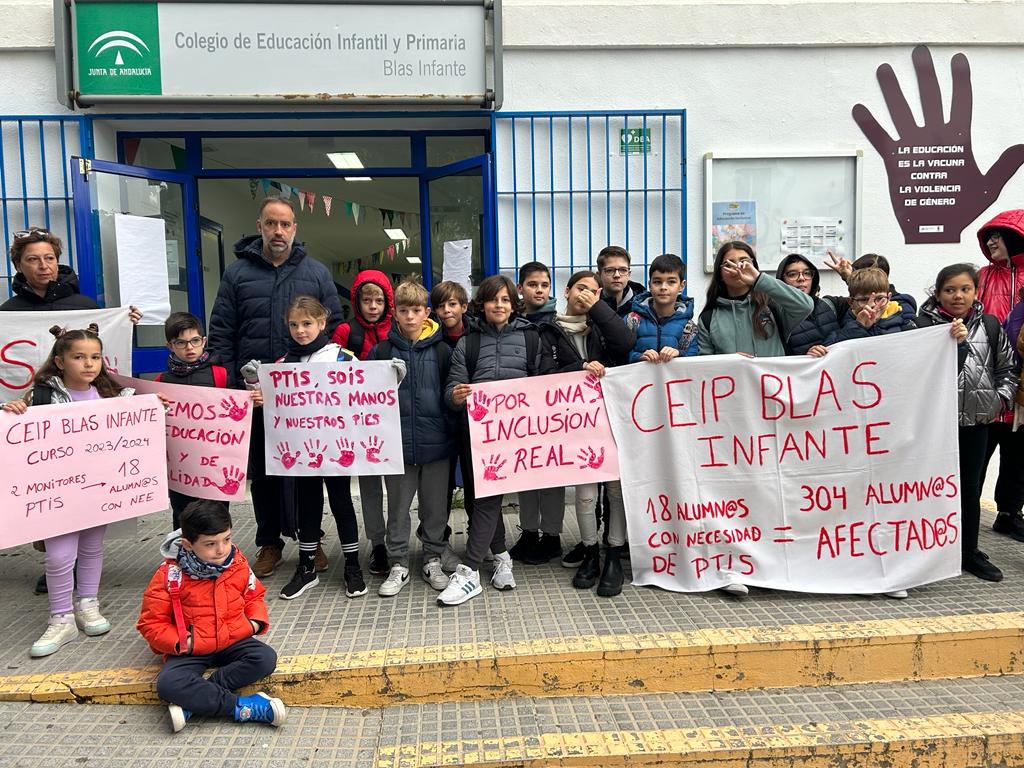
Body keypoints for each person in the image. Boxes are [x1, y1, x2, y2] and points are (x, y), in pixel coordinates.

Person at [3, 227, 143, 595]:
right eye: (33, 259)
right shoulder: (8, 313)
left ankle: (82, 573)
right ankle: (56, 565)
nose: (43, 266)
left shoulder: (82, 305)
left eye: (49, 258)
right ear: (18, 264)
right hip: (42, 417)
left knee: (85, 489)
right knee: (49, 491)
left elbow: (101, 351)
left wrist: (124, 320)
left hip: (85, 422)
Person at [208, 197, 342, 580]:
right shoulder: (237, 274)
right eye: (271, 224)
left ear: (295, 228)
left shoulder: (316, 273)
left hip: (304, 396)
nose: (278, 231)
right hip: (257, 394)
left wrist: (321, 380)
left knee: (305, 471)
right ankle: (269, 543)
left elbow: (331, 329)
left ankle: (310, 541)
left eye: (285, 224)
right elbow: (221, 331)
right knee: (264, 473)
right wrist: (231, 383)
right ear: (260, 226)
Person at [3, 324, 136, 657]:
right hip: (56, 492)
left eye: (95, 357)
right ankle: (61, 618)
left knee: (92, 547)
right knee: (60, 555)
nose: (89, 364)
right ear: (60, 361)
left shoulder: (110, 394)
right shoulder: (41, 395)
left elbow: (135, 424)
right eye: (79, 357)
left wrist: (154, 407)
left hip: (97, 489)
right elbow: (17, 435)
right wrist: (11, 410)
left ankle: (87, 604)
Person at [440, 275, 549, 605]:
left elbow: (544, 385)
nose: (498, 305)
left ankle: (470, 570)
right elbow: (450, 392)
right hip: (479, 438)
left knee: (486, 499)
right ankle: (501, 559)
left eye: (504, 299)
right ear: (482, 304)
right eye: (492, 300)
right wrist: (456, 396)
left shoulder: (532, 338)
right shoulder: (468, 344)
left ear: (513, 303)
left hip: (517, 439)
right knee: (479, 499)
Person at [136, 501, 285, 732]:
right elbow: (151, 623)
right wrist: (181, 642)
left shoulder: (237, 563)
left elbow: (254, 595)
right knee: (168, 684)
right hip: (190, 649)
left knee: (264, 658)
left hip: (231, 640)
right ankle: (242, 707)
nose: (221, 549)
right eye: (210, 544)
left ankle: (196, 701)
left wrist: (253, 624)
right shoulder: (170, 574)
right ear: (187, 544)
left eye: (227, 539)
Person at [910, 264, 1018, 582]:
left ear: (975, 290)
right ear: (938, 293)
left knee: (969, 489)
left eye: (965, 289)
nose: (958, 296)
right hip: (933, 425)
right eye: (950, 290)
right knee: (928, 488)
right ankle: (925, 551)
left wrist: (997, 401)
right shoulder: (920, 325)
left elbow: (1007, 367)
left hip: (975, 422)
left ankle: (967, 551)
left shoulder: (990, 324)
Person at [537, 270, 635, 590]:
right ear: (566, 291)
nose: (586, 295)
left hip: (612, 421)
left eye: (594, 291)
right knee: (585, 495)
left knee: (617, 491)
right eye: (581, 288)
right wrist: (577, 369)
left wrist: (598, 309)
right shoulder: (547, 330)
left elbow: (625, 344)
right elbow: (541, 373)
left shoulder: (602, 326)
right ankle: (590, 551)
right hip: (575, 427)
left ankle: (613, 555)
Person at [263, 296, 365, 601]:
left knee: (342, 503)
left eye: (307, 323)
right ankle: (306, 568)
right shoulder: (283, 363)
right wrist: (256, 383)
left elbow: (369, 394)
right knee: (306, 507)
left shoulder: (343, 359)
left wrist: (392, 378)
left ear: (322, 323)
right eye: (294, 324)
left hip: (335, 450)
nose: (300, 330)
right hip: (302, 453)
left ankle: (352, 566)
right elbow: (271, 404)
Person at [367, 280, 453, 597]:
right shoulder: (382, 351)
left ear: (427, 312)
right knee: (399, 509)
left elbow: (450, 394)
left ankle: (432, 558)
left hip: (437, 445)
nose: (410, 317)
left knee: (435, 509)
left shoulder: (443, 350)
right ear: (395, 313)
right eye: (404, 310)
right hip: (396, 447)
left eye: (416, 310)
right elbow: (364, 397)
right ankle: (398, 562)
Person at [331, 268, 395, 577]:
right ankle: (378, 545)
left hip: (392, 424)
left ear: (388, 302)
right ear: (357, 301)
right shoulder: (345, 331)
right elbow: (331, 372)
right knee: (370, 490)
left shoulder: (397, 329)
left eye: (379, 300)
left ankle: (396, 543)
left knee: (397, 489)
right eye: (366, 300)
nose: (373, 306)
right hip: (358, 426)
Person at [156, 312, 235, 531]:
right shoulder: (162, 381)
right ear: (169, 345)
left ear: (204, 341)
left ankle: (220, 559)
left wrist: (253, 399)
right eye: (180, 342)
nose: (189, 348)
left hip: (215, 463)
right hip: (181, 466)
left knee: (217, 514)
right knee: (182, 514)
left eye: (195, 341)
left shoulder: (220, 375)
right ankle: (181, 559)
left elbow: (236, 412)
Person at [510, 261, 566, 565]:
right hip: (520, 413)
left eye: (544, 285)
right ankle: (529, 531)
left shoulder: (559, 322)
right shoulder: (512, 321)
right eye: (532, 284)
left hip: (554, 410)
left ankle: (552, 535)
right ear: (520, 288)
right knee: (525, 474)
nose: (539, 290)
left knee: (552, 475)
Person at [975, 212, 1024, 541]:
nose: (991, 241)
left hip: (1023, 384)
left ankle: (1009, 513)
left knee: (1019, 451)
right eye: (988, 236)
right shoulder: (981, 276)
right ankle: (963, 512)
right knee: (979, 449)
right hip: (987, 379)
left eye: (999, 235)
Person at [698, 241, 813, 357]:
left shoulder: (772, 304)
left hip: (772, 375)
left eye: (744, 262)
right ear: (720, 274)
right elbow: (705, 365)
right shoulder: (708, 318)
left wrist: (758, 279)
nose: (738, 267)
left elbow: (805, 306)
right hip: (732, 375)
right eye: (729, 265)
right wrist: (730, 361)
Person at [430, 280, 471, 572]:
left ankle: (476, 540)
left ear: (464, 307)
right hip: (441, 423)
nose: (447, 311)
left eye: (453, 304)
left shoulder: (477, 336)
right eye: (441, 305)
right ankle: (438, 542)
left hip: (473, 424)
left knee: (473, 485)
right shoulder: (430, 340)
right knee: (440, 489)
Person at [775, 254, 839, 357]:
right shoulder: (776, 315)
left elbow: (864, 300)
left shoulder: (830, 304)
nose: (801, 278)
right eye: (792, 274)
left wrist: (848, 276)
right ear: (782, 280)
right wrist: (806, 357)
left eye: (807, 273)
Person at [833, 267, 911, 342]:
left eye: (880, 298)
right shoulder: (844, 323)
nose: (873, 304)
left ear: (889, 298)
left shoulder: (902, 316)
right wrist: (858, 326)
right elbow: (829, 347)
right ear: (851, 302)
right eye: (864, 300)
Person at [596, 245, 646, 318]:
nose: (617, 275)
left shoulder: (643, 305)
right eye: (610, 270)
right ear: (599, 275)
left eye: (623, 270)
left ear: (629, 274)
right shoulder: (591, 303)